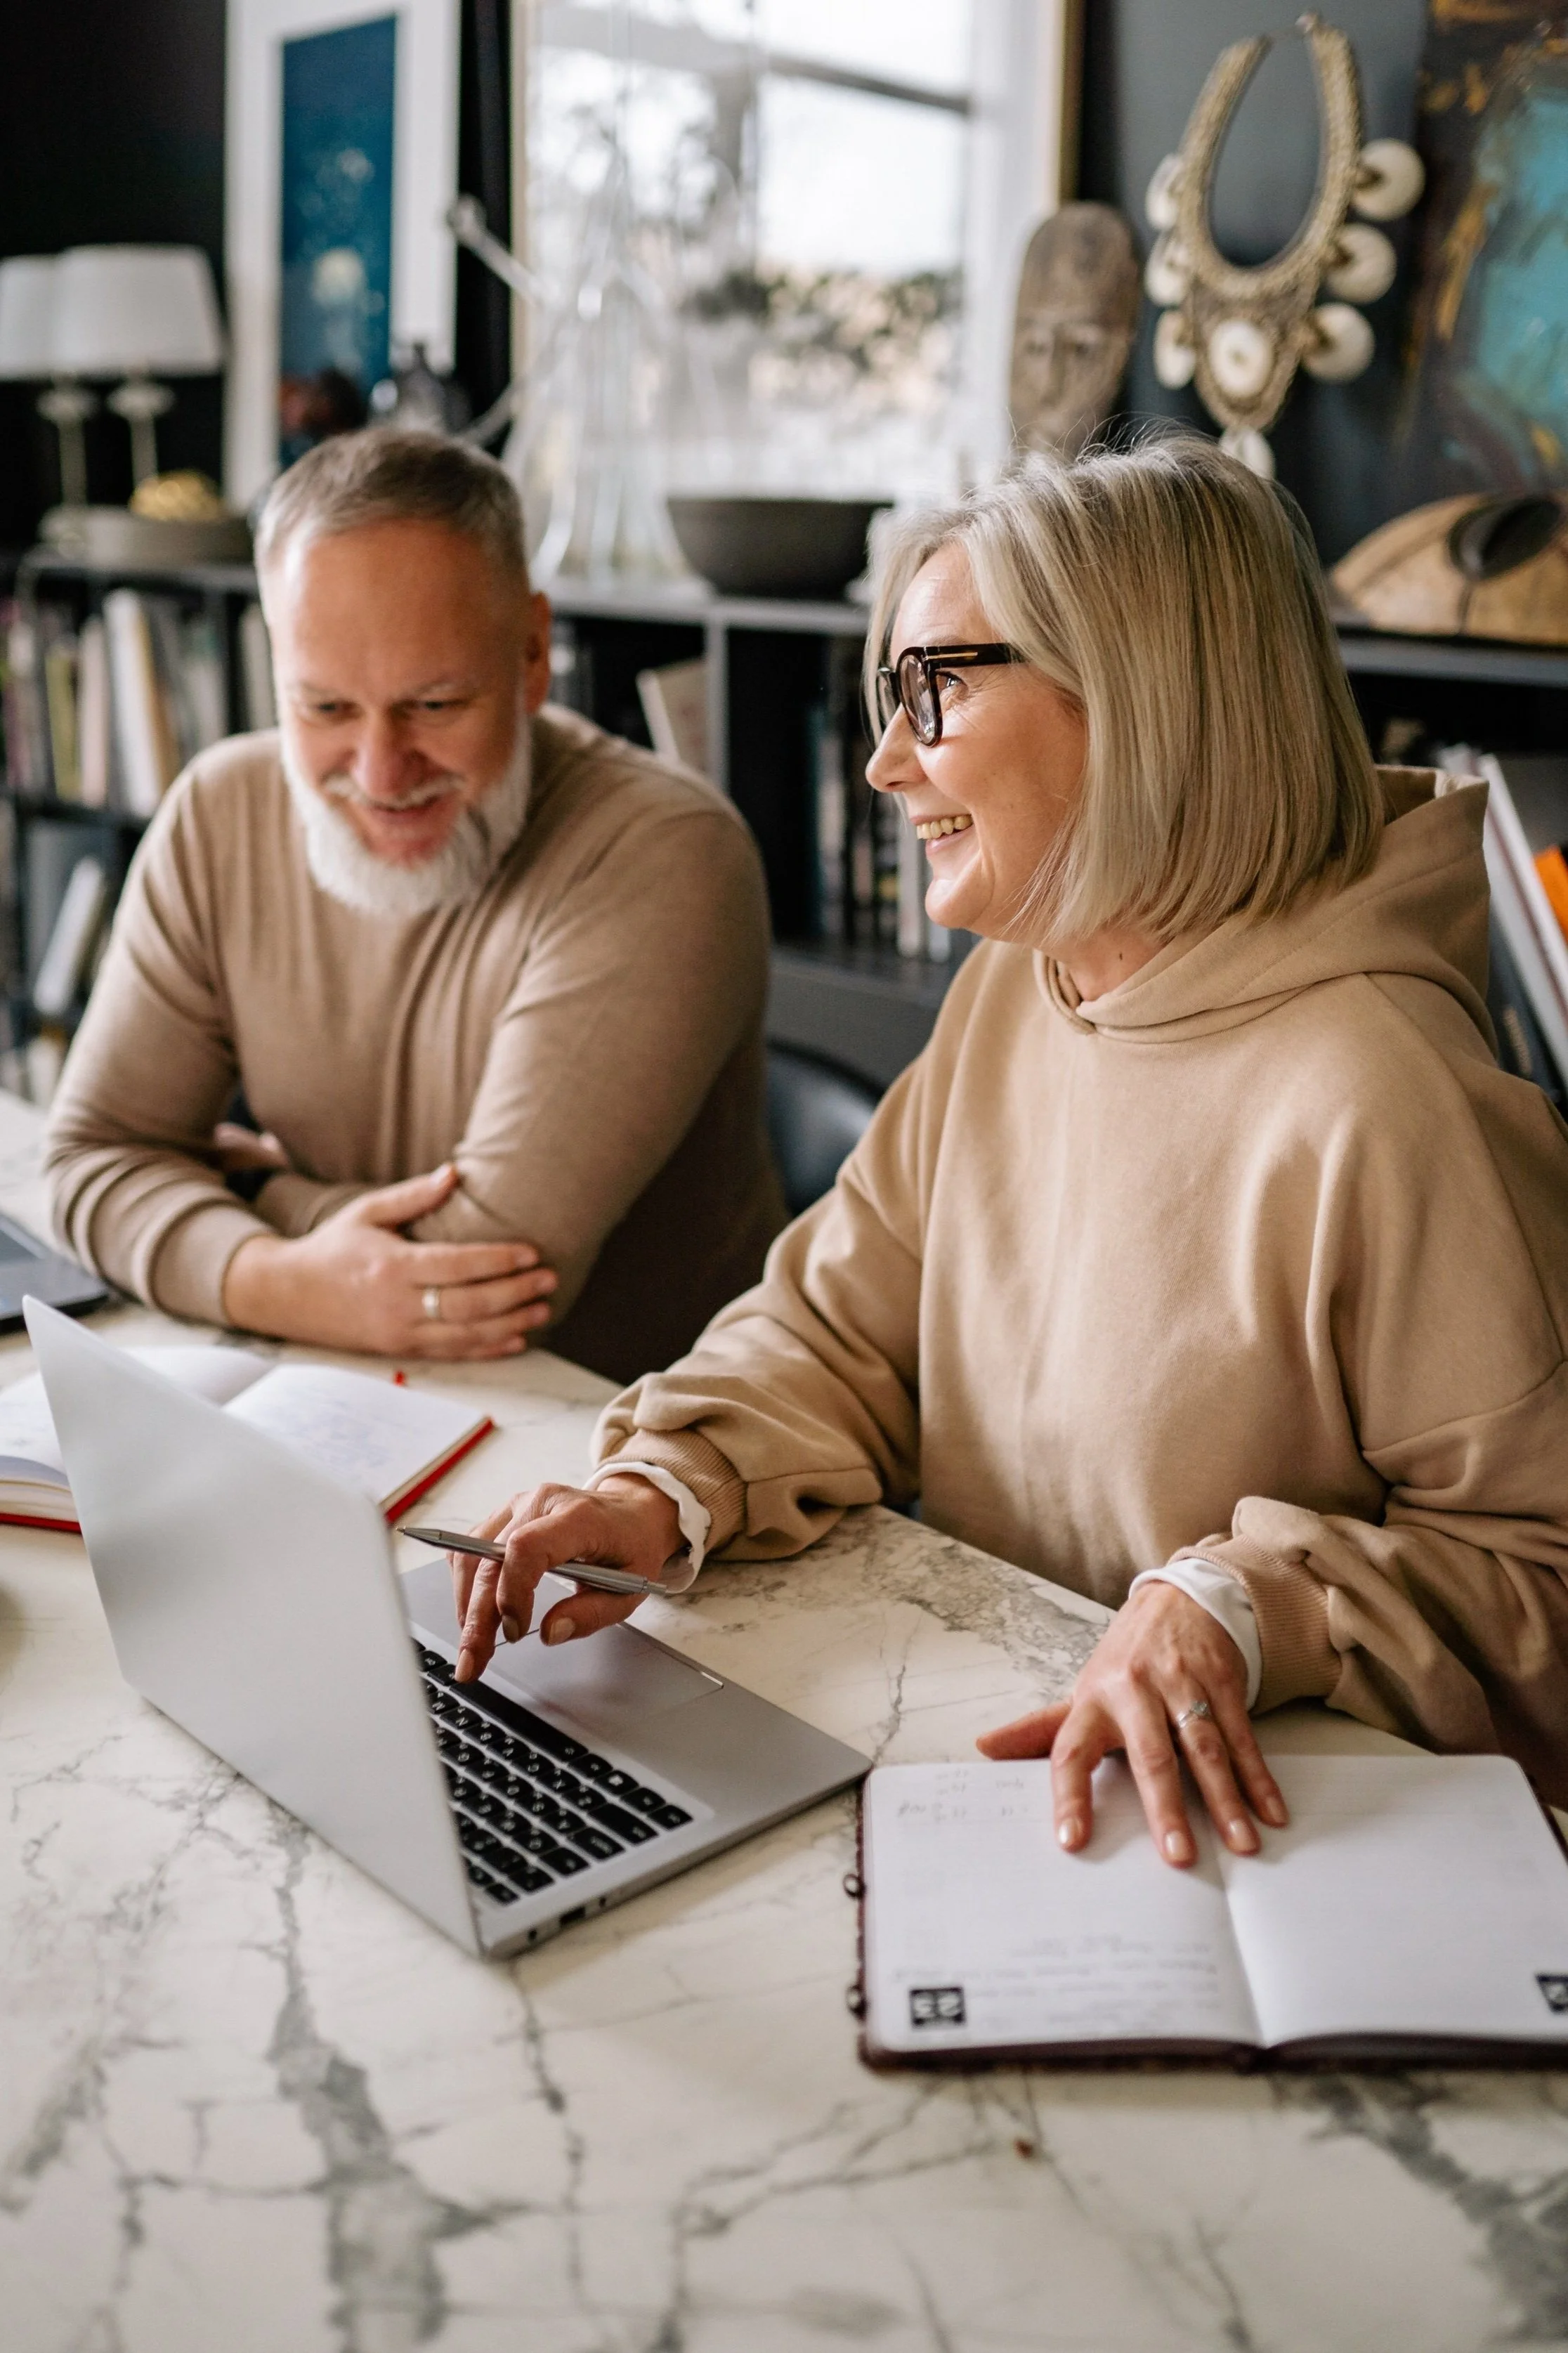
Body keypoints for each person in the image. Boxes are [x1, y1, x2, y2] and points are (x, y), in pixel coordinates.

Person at [440, 436, 1568, 1864]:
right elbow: (839, 1330)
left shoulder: (1394, 1098)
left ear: (1140, 704)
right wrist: (657, 1488)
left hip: (1264, 1842)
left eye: (938, 689)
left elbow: (1545, 1585)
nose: (884, 759)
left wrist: (1241, 1606)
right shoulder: (1015, 993)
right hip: (1003, 1772)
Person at [44, 431, 783, 1383]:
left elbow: (490, 1281)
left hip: (637, 1454)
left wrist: (249, 1182)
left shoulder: (664, 852)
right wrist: (287, 1276)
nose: (381, 774)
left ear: (530, 656)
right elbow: (89, 1160)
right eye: (324, 709)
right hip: (343, 1392)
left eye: (434, 705)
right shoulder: (219, 814)